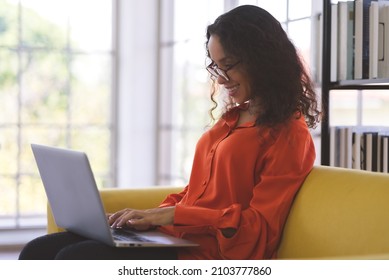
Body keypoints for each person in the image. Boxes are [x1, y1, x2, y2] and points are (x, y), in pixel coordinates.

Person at [19, 5, 320, 260]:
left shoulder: (289, 135)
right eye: (216, 67)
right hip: (175, 237)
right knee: (39, 251)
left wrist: (174, 216)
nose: (222, 79)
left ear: (262, 60)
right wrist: (148, 215)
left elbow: (260, 229)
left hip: (204, 253)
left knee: (74, 258)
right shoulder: (232, 118)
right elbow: (196, 195)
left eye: (228, 65)